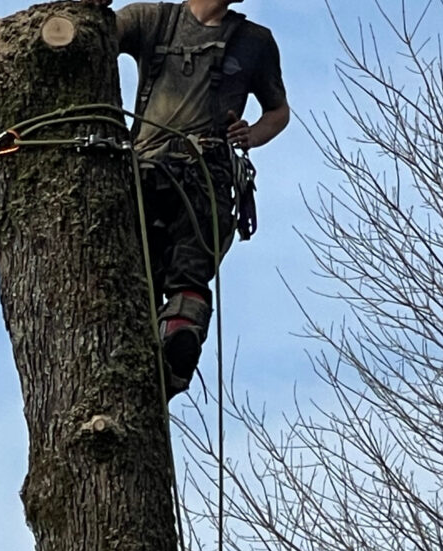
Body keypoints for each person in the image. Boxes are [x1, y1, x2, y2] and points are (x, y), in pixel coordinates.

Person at [84, 0, 290, 398]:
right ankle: (142, 351)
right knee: (134, 274)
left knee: (189, 270)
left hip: (205, 177)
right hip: (144, 175)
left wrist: (253, 135)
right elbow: (97, 37)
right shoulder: (152, 20)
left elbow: (278, 111)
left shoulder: (254, 42)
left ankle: (179, 347)